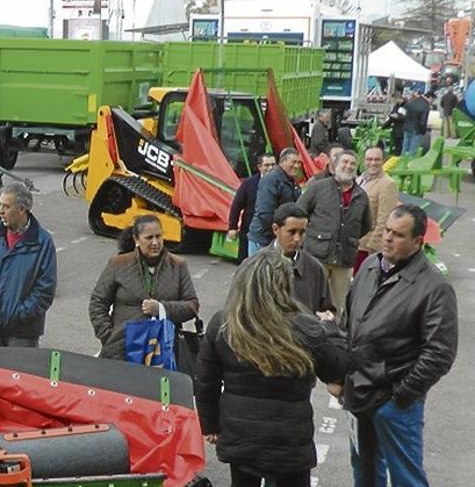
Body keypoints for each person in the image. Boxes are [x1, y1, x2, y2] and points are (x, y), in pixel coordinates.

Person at [195, 251, 348, 487]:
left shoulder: (225, 323)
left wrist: (211, 424)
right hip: (289, 439)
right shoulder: (305, 326)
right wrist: (330, 329)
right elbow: (335, 369)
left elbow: (206, 381)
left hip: (240, 434)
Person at [338, 204, 457, 487]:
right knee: (364, 471)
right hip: (359, 392)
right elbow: (349, 320)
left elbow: (440, 353)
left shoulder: (433, 287)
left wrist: (401, 396)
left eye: (398, 235)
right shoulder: (369, 266)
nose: (388, 238)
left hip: (394, 402)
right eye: (387, 231)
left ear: (417, 242)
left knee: (407, 477)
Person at [89, 214, 199, 360]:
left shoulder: (178, 266)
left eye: (158, 236)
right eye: (149, 238)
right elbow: (98, 301)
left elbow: (192, 305)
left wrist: (162, 309)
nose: (155, 242)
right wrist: (109, 335)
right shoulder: (118, 264)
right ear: (136, 239)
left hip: (163, 352)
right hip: (121, 350)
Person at [0, 182, 57, 347]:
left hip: (23, 333)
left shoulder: (42, 243)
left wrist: (18, 315)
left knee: (17, 372)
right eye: (0, 205)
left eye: (6, 207)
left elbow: (45, 290)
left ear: (22, 209)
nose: (0, 211)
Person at [297, 150, 370, 313]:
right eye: (345, 162)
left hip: (344, 259)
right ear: (335, 165)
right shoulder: (318, 188)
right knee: (310, 300)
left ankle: (334, 335)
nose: (348, 166)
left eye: (352, 164)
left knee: (338, 305)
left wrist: (348, 239)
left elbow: (366, 225)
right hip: (316, 256)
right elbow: (299, 212)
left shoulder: (362, 196)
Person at [268, 203, 334, 318]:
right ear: (275, 229)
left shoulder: (315, 269)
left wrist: (327, 318)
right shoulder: (256, 267)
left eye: (302, 232)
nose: (297, 239)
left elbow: (327, 309)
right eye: (291, 232)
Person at [247, 147, 303, 255]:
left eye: (299, 163)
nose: (296, 166)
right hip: (263, 238)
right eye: (293, 162)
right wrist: (279, 234)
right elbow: (265, 212)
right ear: (282, 162)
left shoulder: (292, 182)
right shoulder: (270, 180)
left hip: (279, 237)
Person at [354, 146, 399, 274]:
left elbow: (385, 219)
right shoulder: (360, 179)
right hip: (354, 243)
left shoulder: (387, 184)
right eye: (369, 159)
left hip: (366, 247)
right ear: (363, 161)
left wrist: (372, 247)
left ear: (383, 161)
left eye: (377, 159)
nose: (373, 163)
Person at [228, 153, 276, 263]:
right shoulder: (249, 184)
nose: (270, 168)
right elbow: (236, 205)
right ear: (259, 167)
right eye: (267, 165)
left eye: (273, 165)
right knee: (246, 265)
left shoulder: (280, 183)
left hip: (271, 233)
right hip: (248, 231)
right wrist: (232, 227)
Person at [401, 90, 430, 157]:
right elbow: (423, 120)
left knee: (404, 149)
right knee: (413, 151)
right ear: (430, 98)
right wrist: (423, 132)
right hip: (417, 130)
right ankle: (409, 165)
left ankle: (401, 163)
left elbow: (403, 112)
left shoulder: (411, 102)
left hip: (407, 127)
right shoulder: (425, 105)